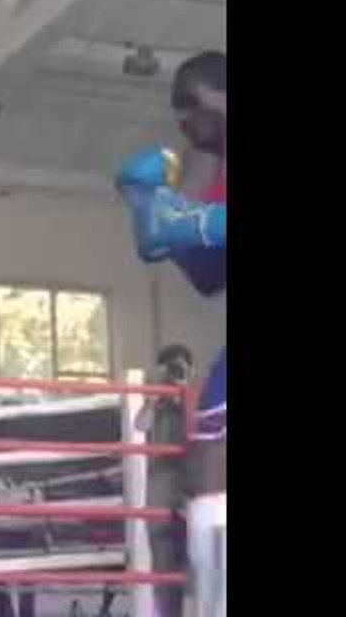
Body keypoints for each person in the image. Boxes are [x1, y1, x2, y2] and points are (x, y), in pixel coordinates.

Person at [116, 51, 226, 617]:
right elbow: (211, 279)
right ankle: (215, 603)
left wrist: (205, 223)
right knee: (209, 462)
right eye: (178, 112)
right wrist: (162, 221)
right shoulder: (209, 170)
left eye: (193, 104)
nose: (184, 122)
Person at [135, 345, 193, 617]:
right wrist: (156, 397)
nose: (174, 372)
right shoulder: (154, 401)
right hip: (160, 489)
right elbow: (140, 425)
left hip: (191, 488)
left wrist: (184, 398)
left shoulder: (198, 398)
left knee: (196, 564)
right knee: (163, 564)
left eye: (179, 367)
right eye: (170, 367)